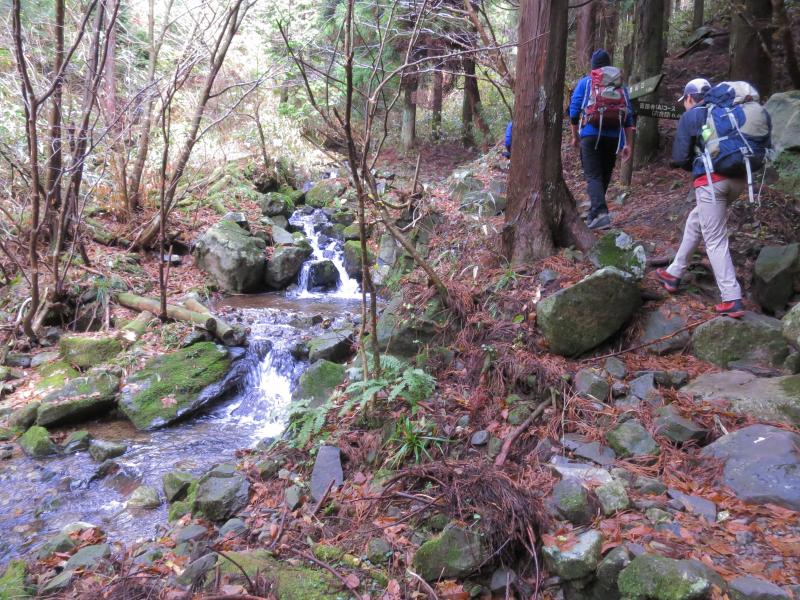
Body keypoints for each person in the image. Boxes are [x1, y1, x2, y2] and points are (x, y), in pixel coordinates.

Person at [654, 78, 758, 317]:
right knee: (696, 220)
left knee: (715, 239)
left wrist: (695, 162)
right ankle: (673, 273)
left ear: (690, 97)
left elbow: (680, 158)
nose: (685, 104)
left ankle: (731, 298)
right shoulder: (727, 111)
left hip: (712, 183)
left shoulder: (692, 115)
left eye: (685, 100)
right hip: (740, 179)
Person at [568, 49, 635, 230]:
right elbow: (629, 117)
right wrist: (628, 144)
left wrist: (575, 136)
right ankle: (594, 214)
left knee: (593, 176)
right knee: (604, 175)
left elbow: (574, 111)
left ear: (593, 66)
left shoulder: (586, 82)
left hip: (590, 134)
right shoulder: (620, 86)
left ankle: (600, 213)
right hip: (613, 137)